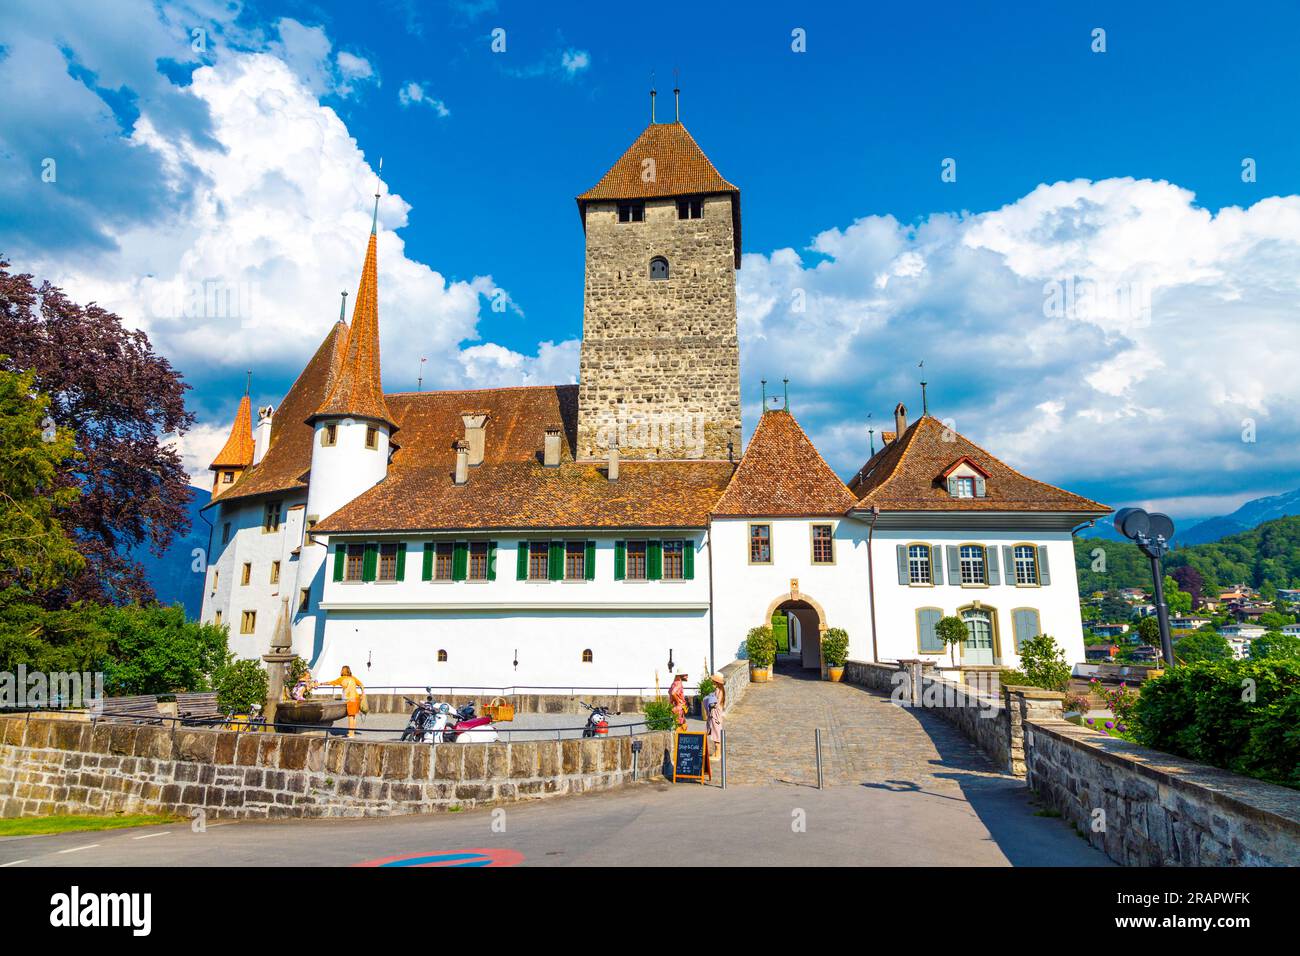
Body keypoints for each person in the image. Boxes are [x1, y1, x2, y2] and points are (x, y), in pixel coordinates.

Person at [325, 665, 365, 737]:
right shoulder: (353, 678)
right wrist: (363, 693)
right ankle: (352, 732)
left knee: (350, 717)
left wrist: (320, 684)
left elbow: (331, 682)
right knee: (353, 717)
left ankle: (351, 734)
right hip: (356, 698)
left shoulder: (341, 679)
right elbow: (361, 685)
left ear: (343, 671)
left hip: (350, 699)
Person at [705, 672, 726, 760]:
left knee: (716, 732)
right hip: (717, 714)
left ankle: (718, 753)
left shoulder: (718, 691)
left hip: (715, 715)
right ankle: (717, 752)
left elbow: (715, 703)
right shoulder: (721, 690)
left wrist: (708, 702)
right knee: (716, 732)